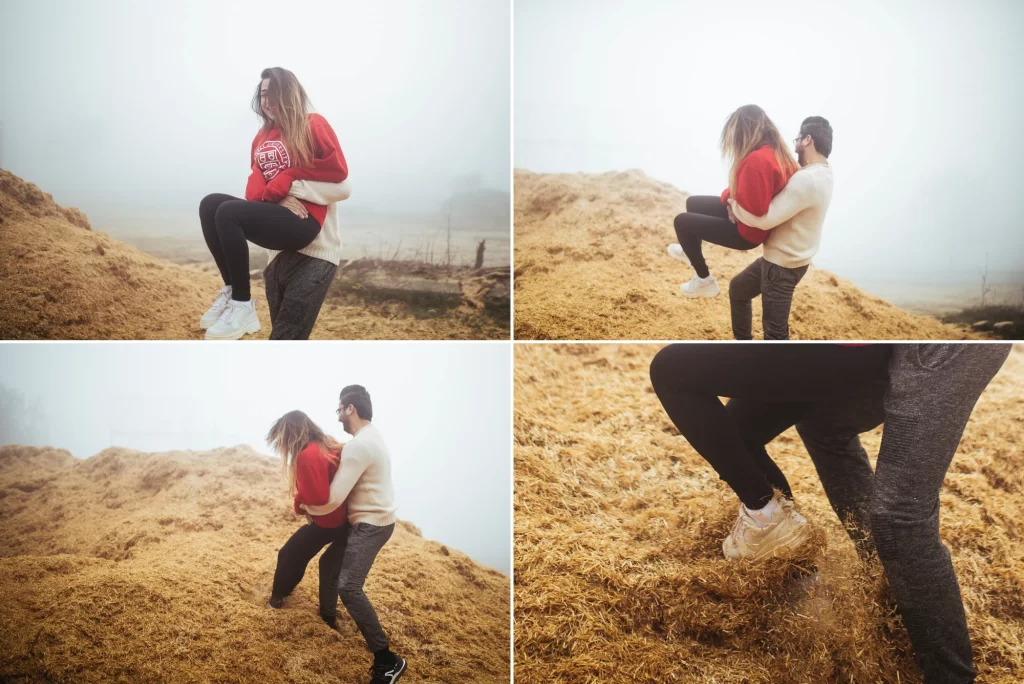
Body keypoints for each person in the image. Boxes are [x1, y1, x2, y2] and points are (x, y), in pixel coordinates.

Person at [651, 343, 1012, 683]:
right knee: (786, 430)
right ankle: (859, 591)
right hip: (866, 349)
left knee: (900, 516)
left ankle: (951, 676)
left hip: (928, 353)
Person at [648, 343, 891, 559]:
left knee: (671, 368)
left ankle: (765, 516)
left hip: (848, 356)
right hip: (871, 362)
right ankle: (791, 552)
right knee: (736, 435)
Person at [198, 66, 349, 340]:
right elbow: (254, 188)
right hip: (279, 220)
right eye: (262, 94)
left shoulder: (313, 123)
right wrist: (277, 195)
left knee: (229, 212)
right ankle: (234, 292)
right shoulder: (261, 136)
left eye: (273, 93)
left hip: (304, 223)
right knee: (211, 205)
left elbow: (338, 172)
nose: (266, 101)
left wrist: (290, 177)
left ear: (289, 93)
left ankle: (243, 305)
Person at [301, 385, 406, 684]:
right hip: (373, 517)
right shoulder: (371, 436)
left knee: (349, 587)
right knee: (328, 564)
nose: (337, 418)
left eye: (339, 410)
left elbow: (333, 499)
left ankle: (388, 661)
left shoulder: (359, 446)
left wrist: (305, 506)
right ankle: (327, 619)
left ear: (350, 408)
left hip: (370, 525)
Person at [667, 104, 798, 298]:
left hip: (746, 232)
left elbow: (756, 209)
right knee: (694, 203)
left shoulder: (756, 161)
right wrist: (729, 199)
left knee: (682, 222)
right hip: (749, 222)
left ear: (742, 131)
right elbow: (745, 190)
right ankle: (690, 251)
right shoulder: (777, 154)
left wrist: (733, 204)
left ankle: (704, 281)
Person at [726, 116, 834, 340]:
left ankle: (773, 371)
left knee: (775, 333)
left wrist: (733, 204)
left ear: (807, 140)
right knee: (738, 289)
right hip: (787, 259)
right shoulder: (824, 173)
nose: (793, 146)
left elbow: (763, 219)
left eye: (797, 140)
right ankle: (743, 345)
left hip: (782, 266)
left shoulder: (807, 180)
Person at [265, 410, 349, 626]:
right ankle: (292, 596)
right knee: (308, 556)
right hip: (345, 517)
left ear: (290, 434)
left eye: (282, 439)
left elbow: (318, 497)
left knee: (289, 554)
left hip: (330, 520)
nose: (282, 444)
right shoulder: (327, 443)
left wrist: (299, 504)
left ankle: (276, 600)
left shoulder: (307, 455)